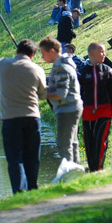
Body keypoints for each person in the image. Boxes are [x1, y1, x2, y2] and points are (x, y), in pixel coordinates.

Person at [0, 39, 46, 194]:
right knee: (32, 157)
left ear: (17, 51)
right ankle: (32, 188)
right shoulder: (37, 69)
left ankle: (18, 191)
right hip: (32, 118)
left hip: (10, 120)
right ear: (32, 55)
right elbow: (43, 95)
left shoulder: (4, 64)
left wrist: (3, 61)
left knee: (15, 158)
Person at [77, 42, 112, 172]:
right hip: (87, 112)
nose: (104, 54)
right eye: (101, 52)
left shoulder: (107, 71)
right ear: (92, 54)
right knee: (89, 142)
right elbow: (77, 94)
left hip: (104, 111)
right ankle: (92, 168)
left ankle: (98, 169)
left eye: (104, 52)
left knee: (100, 140)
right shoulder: (81, 73)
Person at [40, 36, 83, 164]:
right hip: (73, 106)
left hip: (67, 108)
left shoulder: (61, 67)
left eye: (43, 53)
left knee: (64, 145)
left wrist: (42, 93)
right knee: (73, 142)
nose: (42, 57)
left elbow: (60, 93)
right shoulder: (64, 63)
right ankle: (76, 170)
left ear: (52, 51)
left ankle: (70, 172)